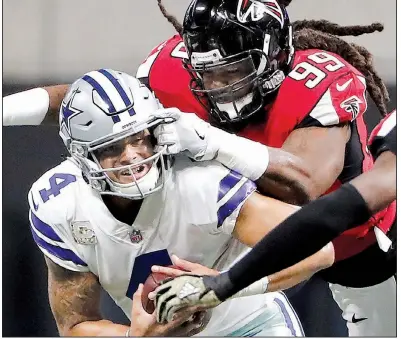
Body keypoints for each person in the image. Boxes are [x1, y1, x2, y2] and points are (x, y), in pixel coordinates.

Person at [4, 0, 395, 335]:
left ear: (274, 54)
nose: (219, 85)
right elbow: (95, 101)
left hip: (355, 245)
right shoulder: (171, 73)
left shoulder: (317, 80)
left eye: (234, 71)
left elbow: (303, 188)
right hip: (252, 241)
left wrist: (212, 141)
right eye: (208, 72)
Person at [28, 69, 309, 337]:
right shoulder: (60, 205)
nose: (131, 156)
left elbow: (313, 244)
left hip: (251, 327)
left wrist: (225, 284)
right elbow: (76, 325)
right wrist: (134, 336)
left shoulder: (199, 181)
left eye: (138, 138)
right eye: (111, 147)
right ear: (83, 157)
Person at [152, 110, 396, 338]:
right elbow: (327, 217)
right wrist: (224, 284)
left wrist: (225, 283)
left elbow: (321, 202)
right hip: (362, 267)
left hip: (369, 251)